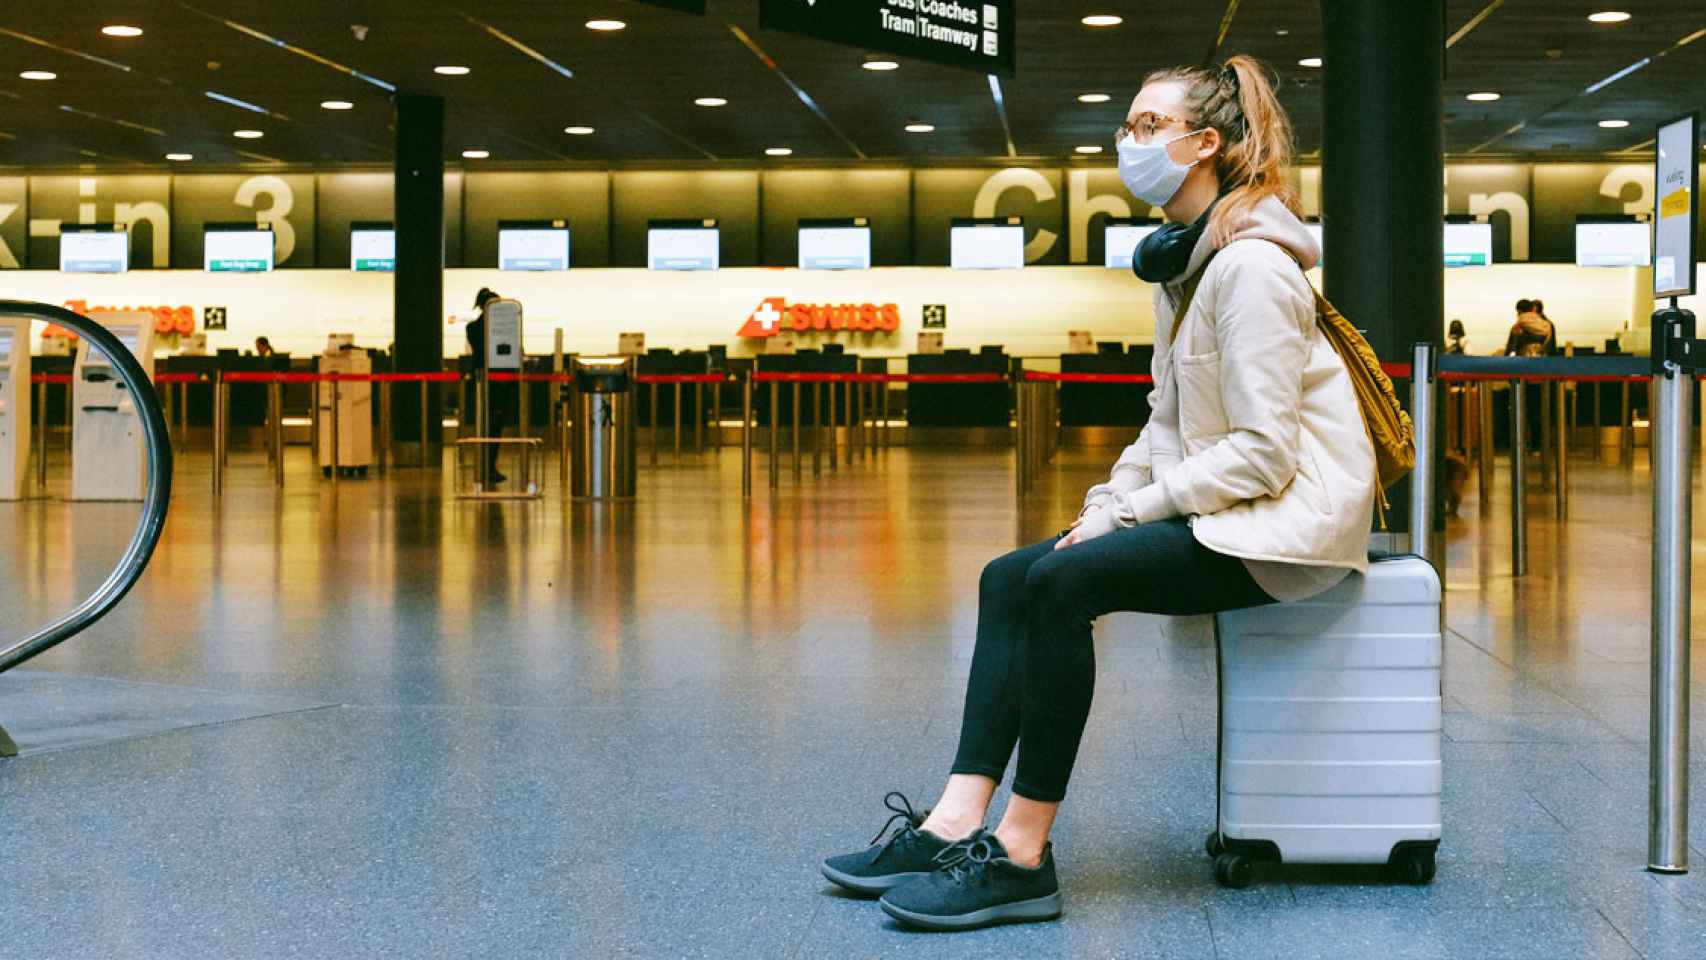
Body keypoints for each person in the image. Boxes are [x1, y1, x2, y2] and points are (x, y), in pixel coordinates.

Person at [820, 55, 1377, 931]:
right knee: (1011, 574)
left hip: (1281, 532)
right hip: (1226, 510)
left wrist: (1134, 513)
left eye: (1148, 126)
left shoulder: (1254, 270)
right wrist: (1105, 503)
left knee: (1063, 583)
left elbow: (1267, 454)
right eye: (1127, 125)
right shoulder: (1190, 267)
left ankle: (1020, 854)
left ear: (1206, 145)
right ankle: (953, 820)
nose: (1129, 141)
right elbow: (1168, 420)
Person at [464, 288, 512, 483]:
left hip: (496, 382)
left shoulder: (484, 327)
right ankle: (486, 466)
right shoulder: (476, 328)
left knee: (494, 425)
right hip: (487, 382)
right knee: (489, 425)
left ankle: (489, 465)